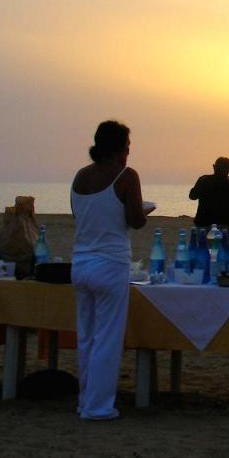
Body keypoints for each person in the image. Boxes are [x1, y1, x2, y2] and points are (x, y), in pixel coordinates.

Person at [70, 120, 153, 421]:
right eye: (127, 147)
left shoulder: (80, 177)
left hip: (80, 263)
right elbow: (135, 220)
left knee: (87, 336)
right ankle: (98, 406)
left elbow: (81, 216)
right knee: (107, 338)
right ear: (119, 149)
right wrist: (143, 211)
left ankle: (85, 400)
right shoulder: (127, 176)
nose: (128, 153)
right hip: (111, 264)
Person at [188, 157, 229, 229]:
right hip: (222, 224)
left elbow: (192, 196)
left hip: (202, 223)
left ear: (214, 167)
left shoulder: (203, 180)